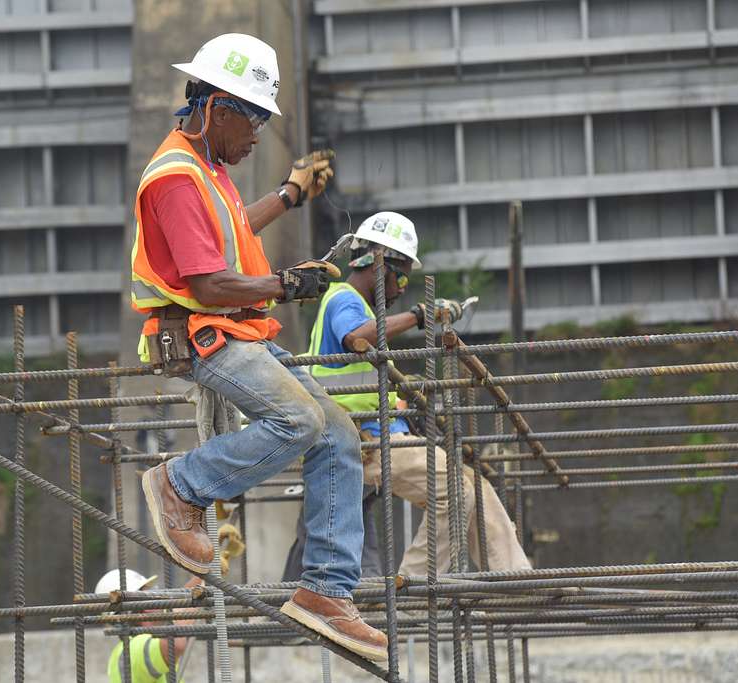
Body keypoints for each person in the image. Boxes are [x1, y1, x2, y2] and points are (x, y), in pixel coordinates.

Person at [130, 33, 387, 661]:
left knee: (339, 434)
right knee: (298, 418)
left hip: (237, 330)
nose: (258, 137)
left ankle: (326, 590)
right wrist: (285, 284)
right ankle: (179, 485)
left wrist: (293, 192)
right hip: (202, 334)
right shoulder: (174, 178)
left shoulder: (207, 168)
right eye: (255, 121)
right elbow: (209, 282)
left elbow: (231, 225)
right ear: (219, 109)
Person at [286, 211, 532, 578]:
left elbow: (362, 378)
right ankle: (413, 583)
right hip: (360, 441)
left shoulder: (360, 309)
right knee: (456, 492)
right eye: (400, 275)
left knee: (475, 487)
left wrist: (402, 402)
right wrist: (422, 315)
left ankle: (516, 578)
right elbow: (361, 336)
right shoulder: (343, 300)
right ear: (376, 262)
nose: (402, 287)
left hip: (376, 436)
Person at [96, 568, 199, 683]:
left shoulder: (140, 643)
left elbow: (178, 606)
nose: (155, 605)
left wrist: (205, 575)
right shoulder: (132, 648)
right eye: (146, 600)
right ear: (131, 613)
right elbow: (175, 644)